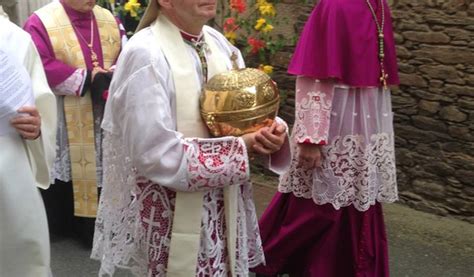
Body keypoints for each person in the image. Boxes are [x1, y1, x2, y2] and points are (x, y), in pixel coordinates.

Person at [91, 0, 290, 276]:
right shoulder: (145, 53)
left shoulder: (218, 43)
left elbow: (240, 116)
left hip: (224, 206)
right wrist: (239, 148)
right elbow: (154, 152)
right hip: (173, 212)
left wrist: (271, 132)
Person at [252, 0, 399, 276]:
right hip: (333, 127)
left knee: (357, 200)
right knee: (314, 210)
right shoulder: (335, 5)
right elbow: (315, 74)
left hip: (364, 129)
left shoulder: (378, 5)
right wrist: (310, 137)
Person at [23, 0, 126, 246]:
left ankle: (107, 223)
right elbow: (37, 63)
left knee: (103, 161)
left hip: (103, 108)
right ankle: (70, 225)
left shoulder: (110, 19)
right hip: (66, 108)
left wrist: (111, 74)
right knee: (70, 164)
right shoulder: (41, 22)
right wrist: (87, 78)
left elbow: (128, 54)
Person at [0, 5, 57, 277]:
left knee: (17, 256)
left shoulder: (16, 39)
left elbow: (40, 104)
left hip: (8, 166)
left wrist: (35, 127)